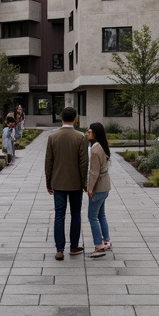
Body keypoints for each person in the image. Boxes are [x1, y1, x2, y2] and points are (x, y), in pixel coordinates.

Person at [44, 106, 88, 260]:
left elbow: (48, 161)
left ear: (61, 118)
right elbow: (84, 163)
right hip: (75, 183)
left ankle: (59, 249)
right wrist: (84, 183)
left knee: (59, 215)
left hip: (58, 182)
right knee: (75, 214)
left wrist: (48, 182)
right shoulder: (81, 137)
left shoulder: (53, 137)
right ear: (76, 118)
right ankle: (74, 246)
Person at [86, 122, 112, 258]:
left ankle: (98, 245)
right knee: (101, 215)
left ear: (95, 133)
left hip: (98, 188)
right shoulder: (102, 146)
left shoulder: (95, 150)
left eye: (90, 132)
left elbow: (94, 172)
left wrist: (90, 188)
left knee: (92, 216)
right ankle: (106, 241)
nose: (87, 134)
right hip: (105, 186)